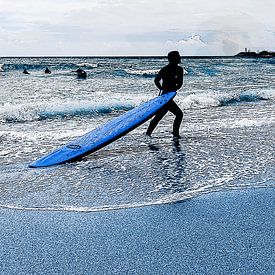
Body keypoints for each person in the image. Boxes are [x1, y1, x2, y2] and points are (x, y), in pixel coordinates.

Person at [146, 51, 183, 138]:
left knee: (160, 115)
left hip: (168, 95)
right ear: (173, 59)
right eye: (178, 56)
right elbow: (156, 80)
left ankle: (148, 134)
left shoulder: (179, 69)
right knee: (179, 114)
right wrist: (162, 88)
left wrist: (174, 89)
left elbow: (180, 83)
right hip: (165, 96)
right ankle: (175, 133)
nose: (180, 58)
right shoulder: (165, 69)